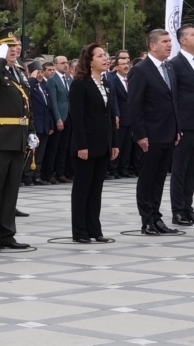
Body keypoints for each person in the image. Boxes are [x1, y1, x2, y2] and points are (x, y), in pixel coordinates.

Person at [0, 30, 34, 252]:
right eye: (9, 47)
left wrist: (31, 130)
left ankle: (7, 234)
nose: (15, 49)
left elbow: (28, 106)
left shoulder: (19, 72)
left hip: (17, 139)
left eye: (17, 46)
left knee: (11, 192)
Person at [128, 29, 180, 235]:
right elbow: (134, 105)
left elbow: (173, 101)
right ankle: (147, 219)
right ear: (152, 46)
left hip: (168, 132)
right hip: (150, 134)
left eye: (170, 41)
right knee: (147, 178)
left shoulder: (168, 67)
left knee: (159, 178)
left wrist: (177, 128)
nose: (169, 45)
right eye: (165, 41)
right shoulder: (140, 70)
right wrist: (140, 134)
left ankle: (157, 217)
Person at [69, 44, 118, 243]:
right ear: (90, 61)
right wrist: (82, 145)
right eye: (100, 56)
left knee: (96, 189)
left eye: (106, 55)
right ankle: (80, 231)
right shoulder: (80, 84)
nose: (106, 58)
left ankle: (94, 229)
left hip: (103, 143)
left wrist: (113, 143)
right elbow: (77, 118)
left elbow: (110, 116)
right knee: (82, 188)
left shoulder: (106, 83)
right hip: (86, 145)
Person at [168, 24, 194, 226]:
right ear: (183, 40)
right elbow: (174, 95)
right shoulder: (175, 64)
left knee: (193, 170)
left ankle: (188, 207)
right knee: (180, 169)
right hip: (184, 125)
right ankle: (177, 210)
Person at [24, 62, 55, 186]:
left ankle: (37, 175)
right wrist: (31, 78)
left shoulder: (42, 86)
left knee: (40, 153)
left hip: (44, 125)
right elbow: (28, 91)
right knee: (31, 153)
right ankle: (28, 176)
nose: (40, 75)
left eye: (42, 72)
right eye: (38, 72)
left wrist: (51, 124)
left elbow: (48, 107)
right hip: (34, 125)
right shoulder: (30, 85)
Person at [44, 56, 72, 184]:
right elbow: (53, 101)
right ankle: (49, 173)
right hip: (59, 117)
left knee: (63, 147)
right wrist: (58, 118)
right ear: (55, 65)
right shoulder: (52, 80)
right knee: (53, 147)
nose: (66, 65)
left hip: (69, 116)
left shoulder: (68, 79)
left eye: (67, 62)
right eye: (62, 63)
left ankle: (60, 172)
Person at [107, 57, 132, 177]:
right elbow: (114, 98)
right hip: (120, 116)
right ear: (116, 67)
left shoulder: (130, 79)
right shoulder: (113, 80)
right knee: (118, 143)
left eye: (127, 63)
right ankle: (113, 169)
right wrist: (116, 114)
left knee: (128, 144)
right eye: (123, 64)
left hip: (130, 116)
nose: (126, 66)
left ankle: (124, 168)